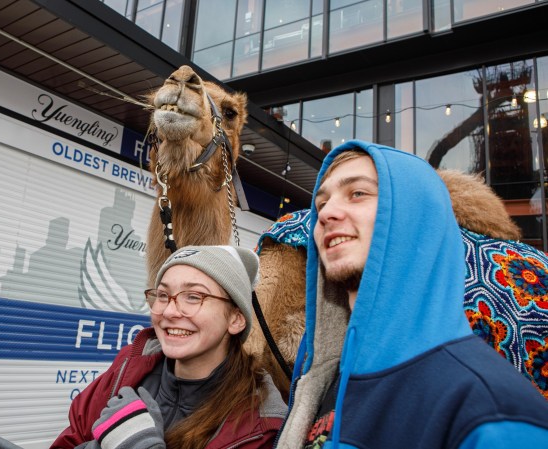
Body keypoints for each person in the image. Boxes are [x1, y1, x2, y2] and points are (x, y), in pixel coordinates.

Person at [275, 140, 548, 449]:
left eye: (358, 193)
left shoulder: (493, 412)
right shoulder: (318, 379)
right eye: (321, 203)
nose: (327, 213)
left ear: (413, 217)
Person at [52, 245, 287, 449]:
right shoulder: (127, 368)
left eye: (194, 296)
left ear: (236, 319)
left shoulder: (263, 425)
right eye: (163, 295)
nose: (169, 311)